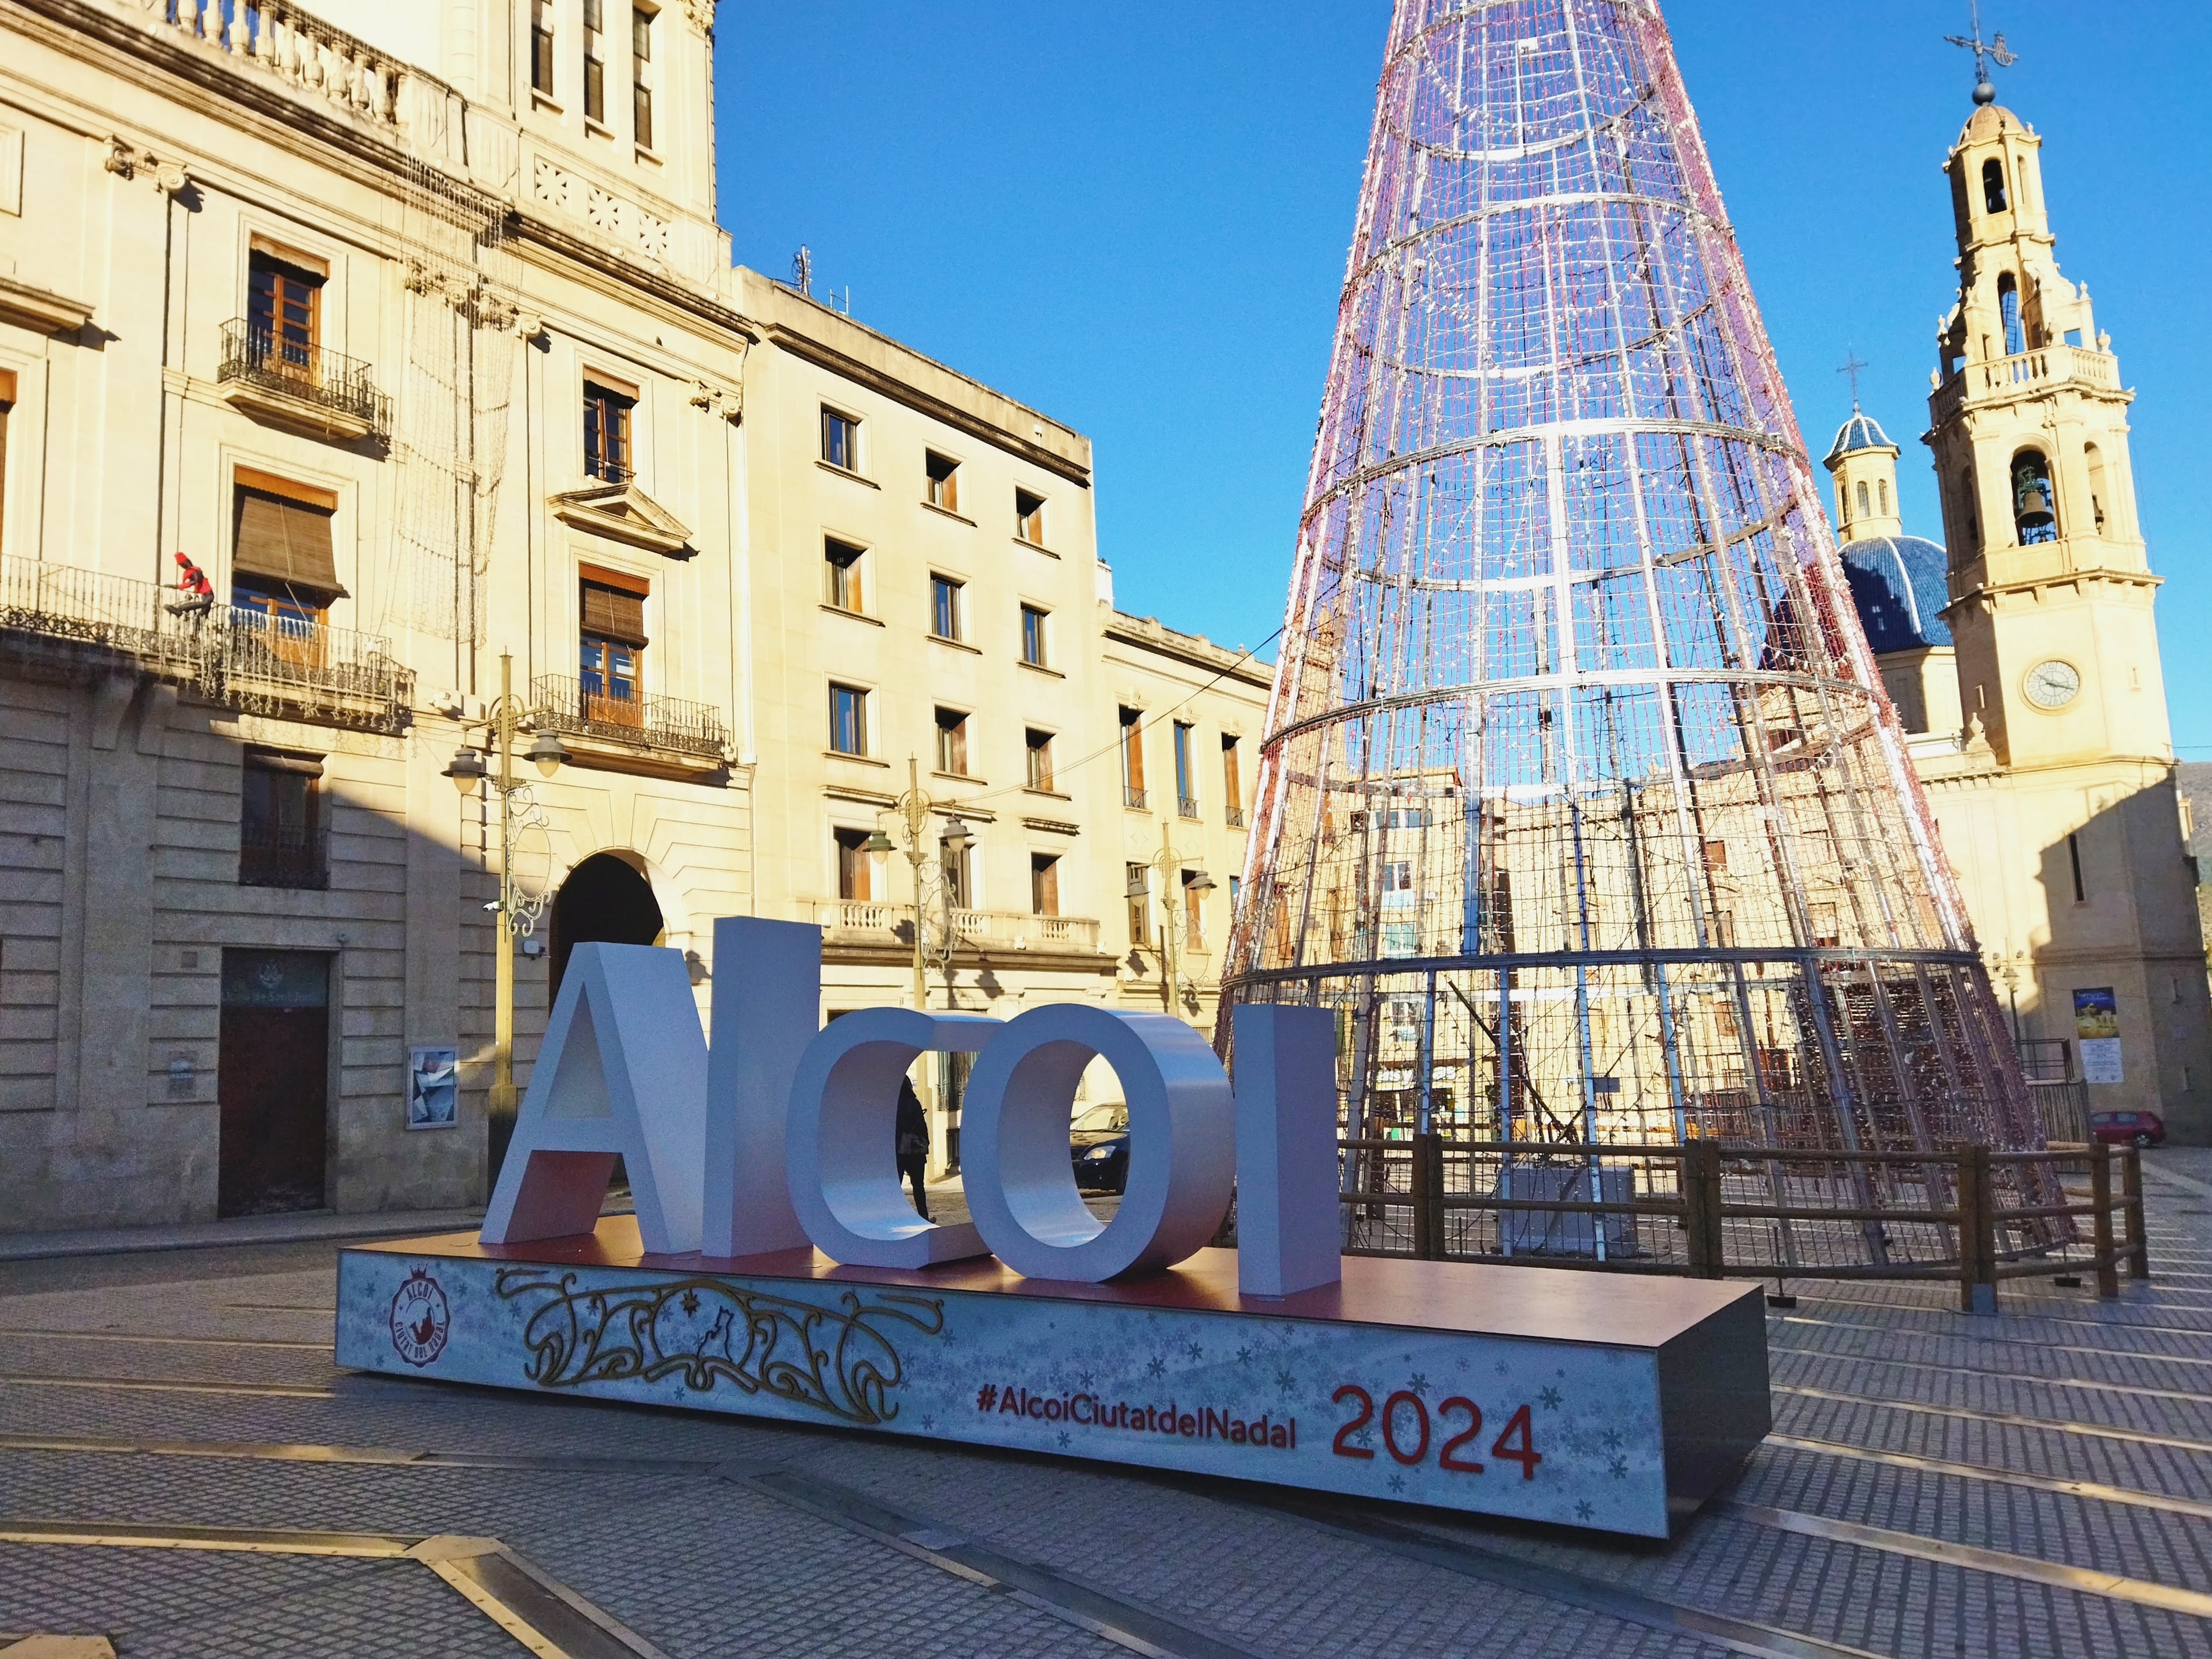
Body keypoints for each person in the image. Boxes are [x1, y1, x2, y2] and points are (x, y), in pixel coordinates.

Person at [895, 1076, 931, 1220]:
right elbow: (922, 1128)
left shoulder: (893, 1105)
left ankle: (897, 1217)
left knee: (896, 1186)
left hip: (898, 1151)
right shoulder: (913, 1103)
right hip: (915, 1152)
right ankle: (923, 1216)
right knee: (918, 1186)